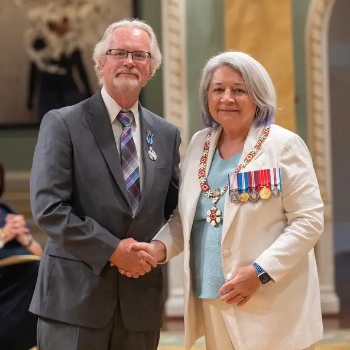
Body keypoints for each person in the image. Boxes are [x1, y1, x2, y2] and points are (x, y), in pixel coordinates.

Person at [126, 51, 324, 350]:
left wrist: (260, 272)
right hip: (213, 296)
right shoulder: (198, 144)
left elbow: (308, 221)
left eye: (239, 90)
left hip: (270, 300)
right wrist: (157, 248)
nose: (227, 98)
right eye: (218, 89)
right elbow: (187, 217)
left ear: (257, 95)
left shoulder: (283, 145)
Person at [29, 19, 181, 350]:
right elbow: (49, 210)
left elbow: (178, 211)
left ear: (150, 68)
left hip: (140, 305)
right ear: (101, 63)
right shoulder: (63, 123)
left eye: (140, 55)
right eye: (119, 52)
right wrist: (112, 251)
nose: (129, 61)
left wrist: (158, 249)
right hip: (74, 303)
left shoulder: (166, 135)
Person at [0, 162, 42, 350]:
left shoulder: (6, 210)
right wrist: (4, 235)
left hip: (24, 281)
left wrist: (26, 240)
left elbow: (39, 255)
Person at [26, 17, 93, 122]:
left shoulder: (71, 43)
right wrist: (29, 102)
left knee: (72, 130)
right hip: (48, 94)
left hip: (69, 93)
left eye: (65, 21)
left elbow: (81, 70)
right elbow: (34, 73)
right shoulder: (40, 43)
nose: (64, 25)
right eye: (61, 21)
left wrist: (90, 97)